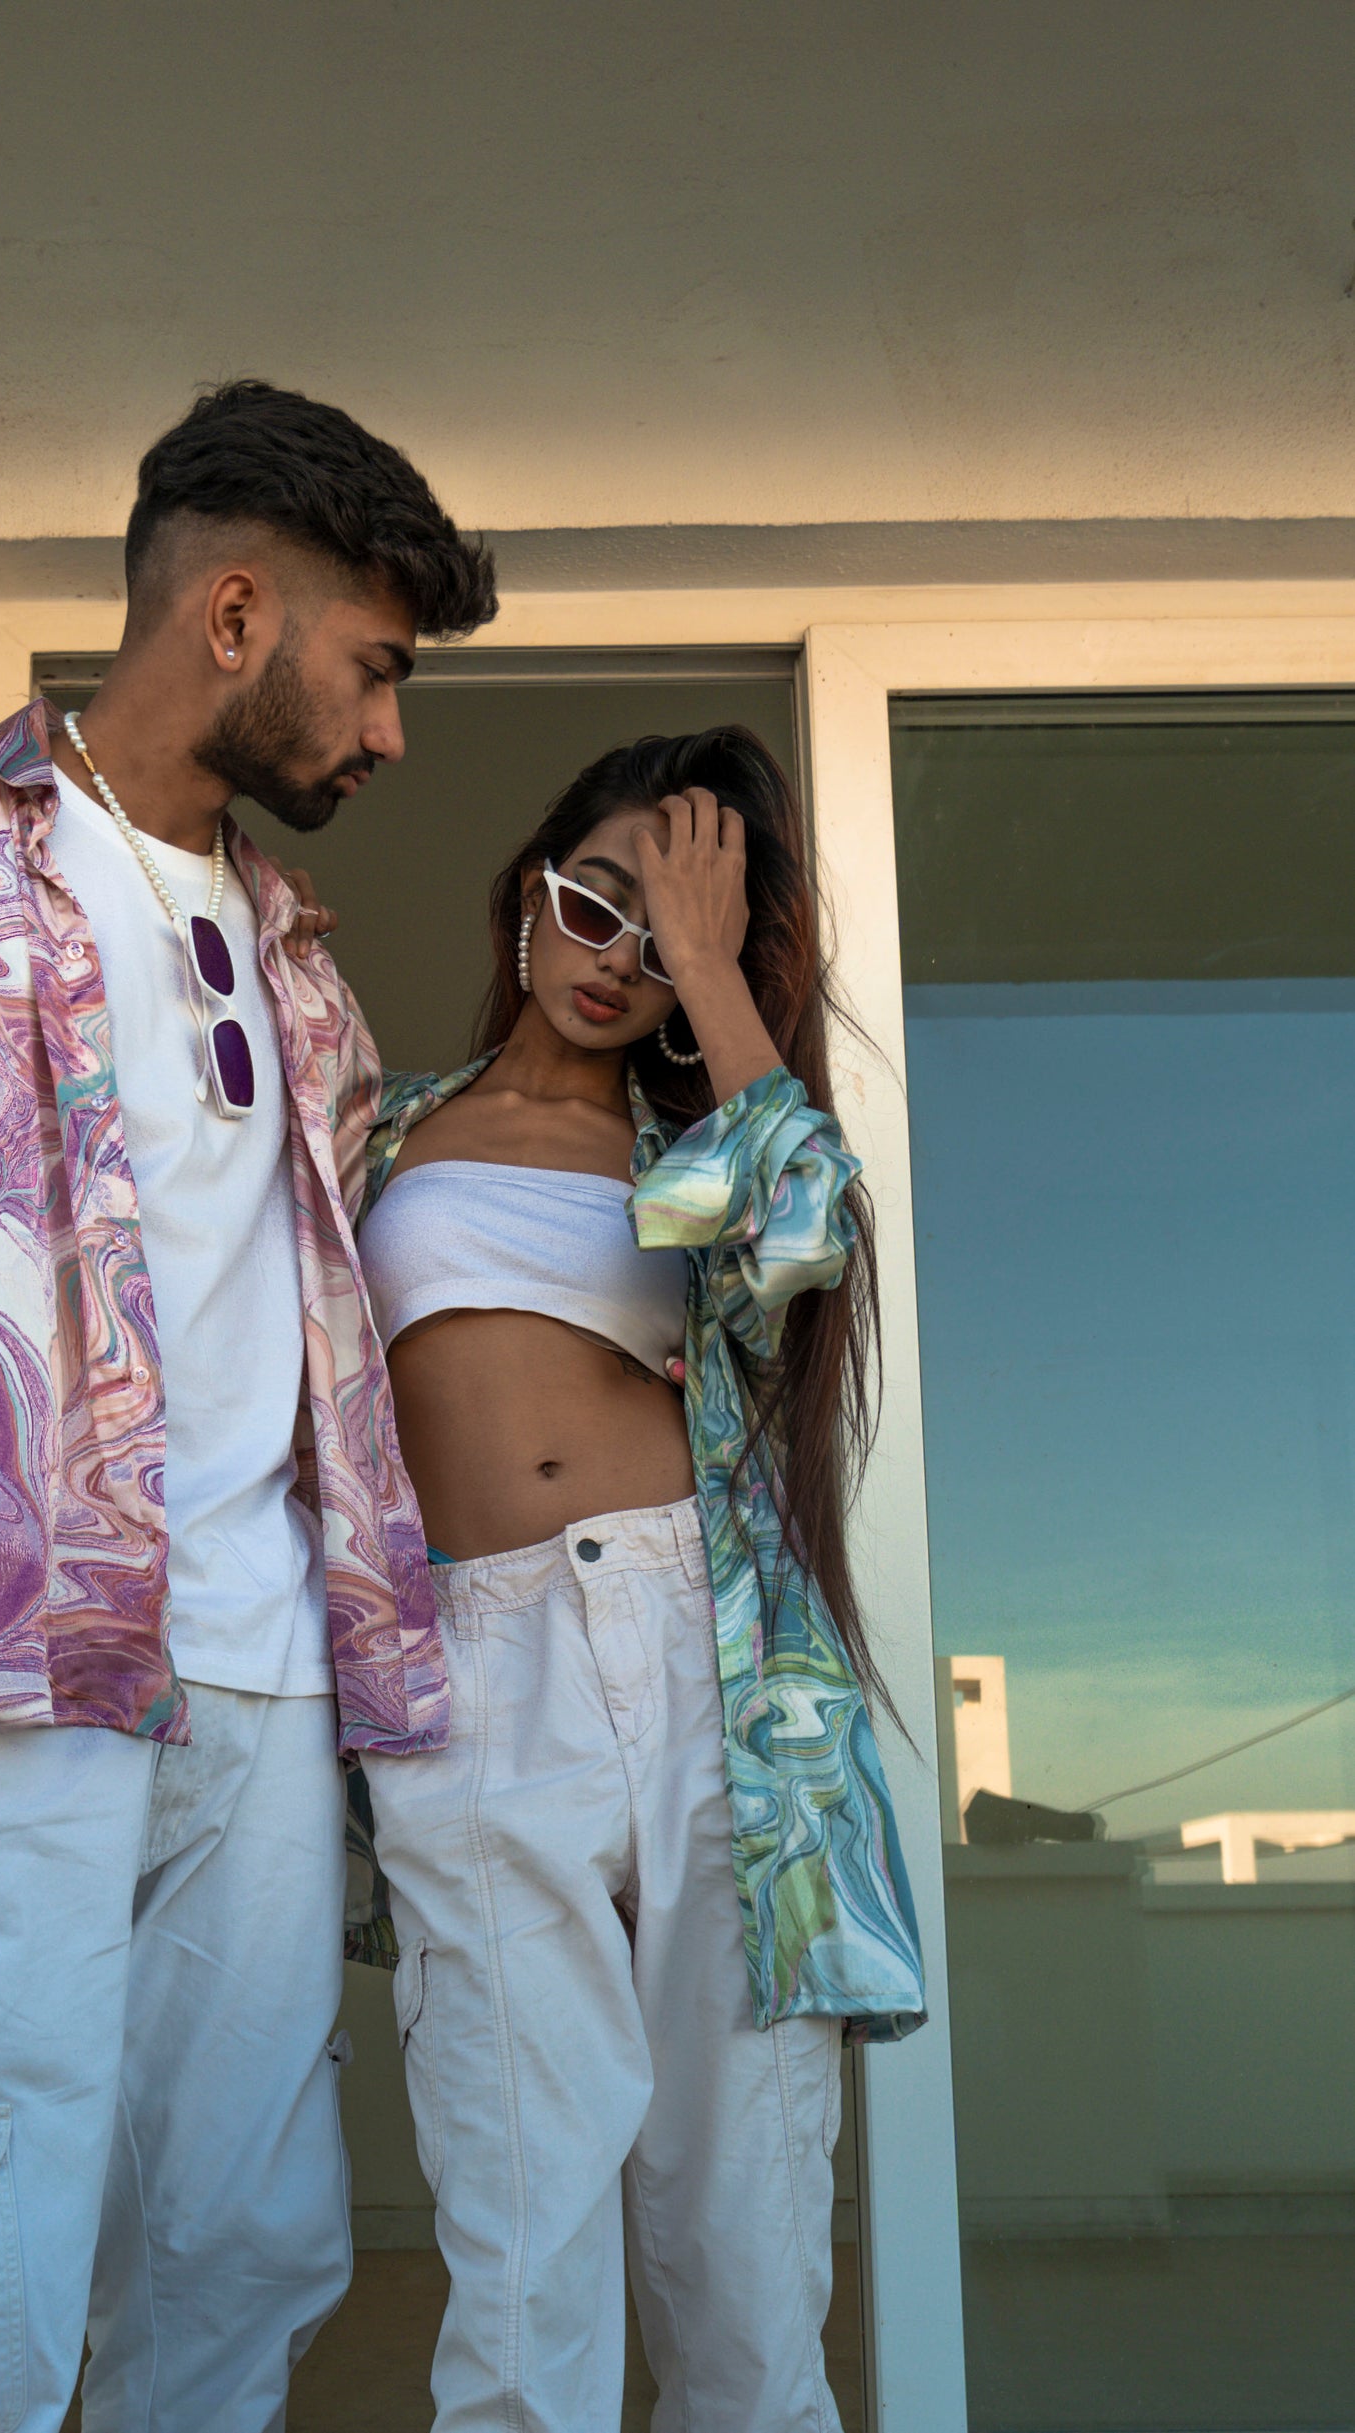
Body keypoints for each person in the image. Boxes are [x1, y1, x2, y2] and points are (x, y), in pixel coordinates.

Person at [0, 379, 495, 2433]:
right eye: (374, 666)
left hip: (265, 1687)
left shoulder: (305, 966)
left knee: (243, 2246)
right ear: (234, 613)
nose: (391, 732)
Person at [353, 727, 927, 2433]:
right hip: (467, 1667)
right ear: (519, 896)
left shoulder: (703, 1159)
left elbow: (812, 1230)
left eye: (669, 932)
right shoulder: (374, 1134)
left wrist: (717, 965)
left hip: (709, 1671)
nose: (617, 957)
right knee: (515, 2220)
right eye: (595, 902)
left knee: (742, 2234)